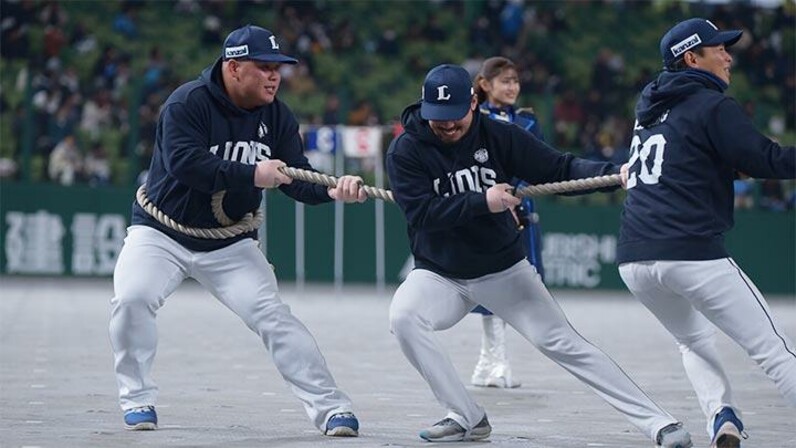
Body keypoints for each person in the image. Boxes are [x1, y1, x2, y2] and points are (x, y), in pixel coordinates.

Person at [385, 63, 693, 448]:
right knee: (404, 316)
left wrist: (615, 174)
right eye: (437, 118)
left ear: (474, 104)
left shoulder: (500, 136)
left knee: (565, 343)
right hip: (440, 274)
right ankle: (466, 415)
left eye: (455, 117)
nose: (446, 126)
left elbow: (558, 169)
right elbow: (422, 215)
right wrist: (484, 200)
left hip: (502, 270)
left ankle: (659, 424)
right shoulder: (406, 149)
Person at [109, 25, 365, 437]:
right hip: (161, 234)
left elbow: (294, 176)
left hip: (229, 243)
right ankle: (137, 398)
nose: (274, 76)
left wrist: (333, 189)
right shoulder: (187, 103)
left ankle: (332, 408)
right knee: (132, 298)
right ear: (233, 67)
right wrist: (252, 174)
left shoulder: (277, 114)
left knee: (273, 316)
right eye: (263, 67)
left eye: (278, 68)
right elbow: (185, 164)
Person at [617, 17, 796, 448]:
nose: (729, 56)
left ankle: (722, 417)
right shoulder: (712, 105)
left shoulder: (649, 110)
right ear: (692, 58)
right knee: (773, 351)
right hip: (690, 252)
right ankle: (721, 416)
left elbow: (691, 156)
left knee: (692, 341)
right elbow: (768, 159)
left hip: (634, 258)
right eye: (719, 49)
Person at [467, 56, 546, 389]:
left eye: (515, 81)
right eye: (505, 81)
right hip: (486, 211)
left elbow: (540, 161)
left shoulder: (526, 122)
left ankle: (490, 361)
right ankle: (494, 360)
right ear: (485, 85)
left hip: (522, 213)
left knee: (519, 289)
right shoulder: (474, 119)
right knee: (491, 286)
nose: (512, 87)